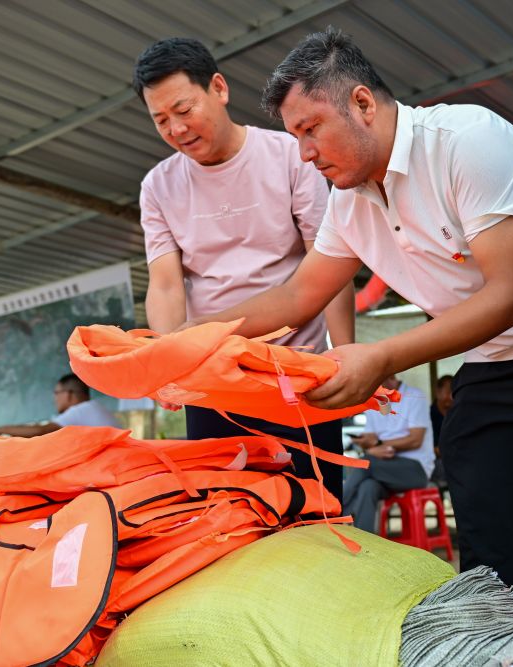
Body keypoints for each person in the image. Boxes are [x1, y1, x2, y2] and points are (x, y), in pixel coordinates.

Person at [182, 27, 513, 586]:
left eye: (311, 129)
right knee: (491, 549)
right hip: (497, 359)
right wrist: (188, 335)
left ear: (362, 103)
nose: (304, 152)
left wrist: (380, 357)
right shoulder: (349, 202)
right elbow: (299, 296)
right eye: (294, 136)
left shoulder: (466, 141)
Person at [131, 37, 355, 500]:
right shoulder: (158, 186)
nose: (176, 128)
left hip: (296, 374)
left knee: (314, 508)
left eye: (183, 109)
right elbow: (167, 285)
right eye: (161, 120)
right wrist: (167, 365)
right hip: (213, 384)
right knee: (228, 513)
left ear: (219, 88)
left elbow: (327, 262)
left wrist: (346, 356)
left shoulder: (290, 155)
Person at [344, 374, 434, 532]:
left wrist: (378, 446)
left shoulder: (415, 396)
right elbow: (371, 437)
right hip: (383, 469)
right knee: (368, 487)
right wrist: (367, 443)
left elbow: (415, 440)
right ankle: (364, 542)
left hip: (415, 470)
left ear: (390, 376)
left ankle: (335, 510)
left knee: (365, 463)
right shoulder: (375, 399)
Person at [0, 373, 120, 440]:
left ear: (68, 394)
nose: (55, 399)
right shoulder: (94, 407)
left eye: (56, 393)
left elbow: (40, 431)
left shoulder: (81, 410)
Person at [429, 374, 453, 486]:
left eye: (455, 393)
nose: (452, 397)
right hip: (436, 461)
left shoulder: (459, 414)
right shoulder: (428, 415)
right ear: (438, 392)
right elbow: (432, 449)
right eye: (448, 392)